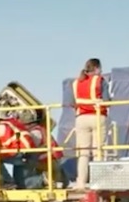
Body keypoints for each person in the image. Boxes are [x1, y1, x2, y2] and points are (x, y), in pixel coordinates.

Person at [72, 58, 110, 189]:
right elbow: (107, 100)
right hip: (97, 116)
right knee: (98, 151)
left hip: (81, 118)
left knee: (83, 153)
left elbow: (72, 102)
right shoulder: (100, 80)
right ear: (97, 68)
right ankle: (98, 183)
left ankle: (80, 183)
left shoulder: (76, 82)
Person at [0, 114, 37, 189]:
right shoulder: (13, 123)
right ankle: (43, 179)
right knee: (21, 183)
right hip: (30, 152)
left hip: (20, 153)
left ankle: (7, 181)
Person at [25, 110, 66, 187]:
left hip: (46, 162)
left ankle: (41, 181)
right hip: (53, 160)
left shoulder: (35, 133)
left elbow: (30, 150)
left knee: (24, 163)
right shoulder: (42, 129)